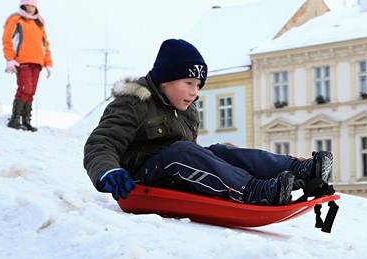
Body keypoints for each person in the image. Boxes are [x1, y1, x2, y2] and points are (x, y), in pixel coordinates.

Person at [83, 39, 333, 206]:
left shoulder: (188, 110)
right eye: (189, 83)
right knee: (181, 151)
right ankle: (253, 191)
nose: (195, 92)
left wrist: (216, 159)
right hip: (137, 185)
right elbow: (101, 142)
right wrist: (108, 171)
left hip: (173, 174)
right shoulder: (134, 102)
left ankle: (298, 170)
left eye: (199, 85)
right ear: (166, 80)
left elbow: (192, 157)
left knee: (221, 151)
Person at [2, 0, 53, 132]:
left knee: (31, 92)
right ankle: (15, 119)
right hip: (22, 60)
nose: (30, 7)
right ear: (23, 5)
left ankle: (26, 121)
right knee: (25, 89)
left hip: (37, 62)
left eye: (33, 5)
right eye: (28, 5)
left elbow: (45, 45)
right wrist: (9, 59)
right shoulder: (15, 19)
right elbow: (7, 40)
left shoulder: (39, 23)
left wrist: (48, 63)